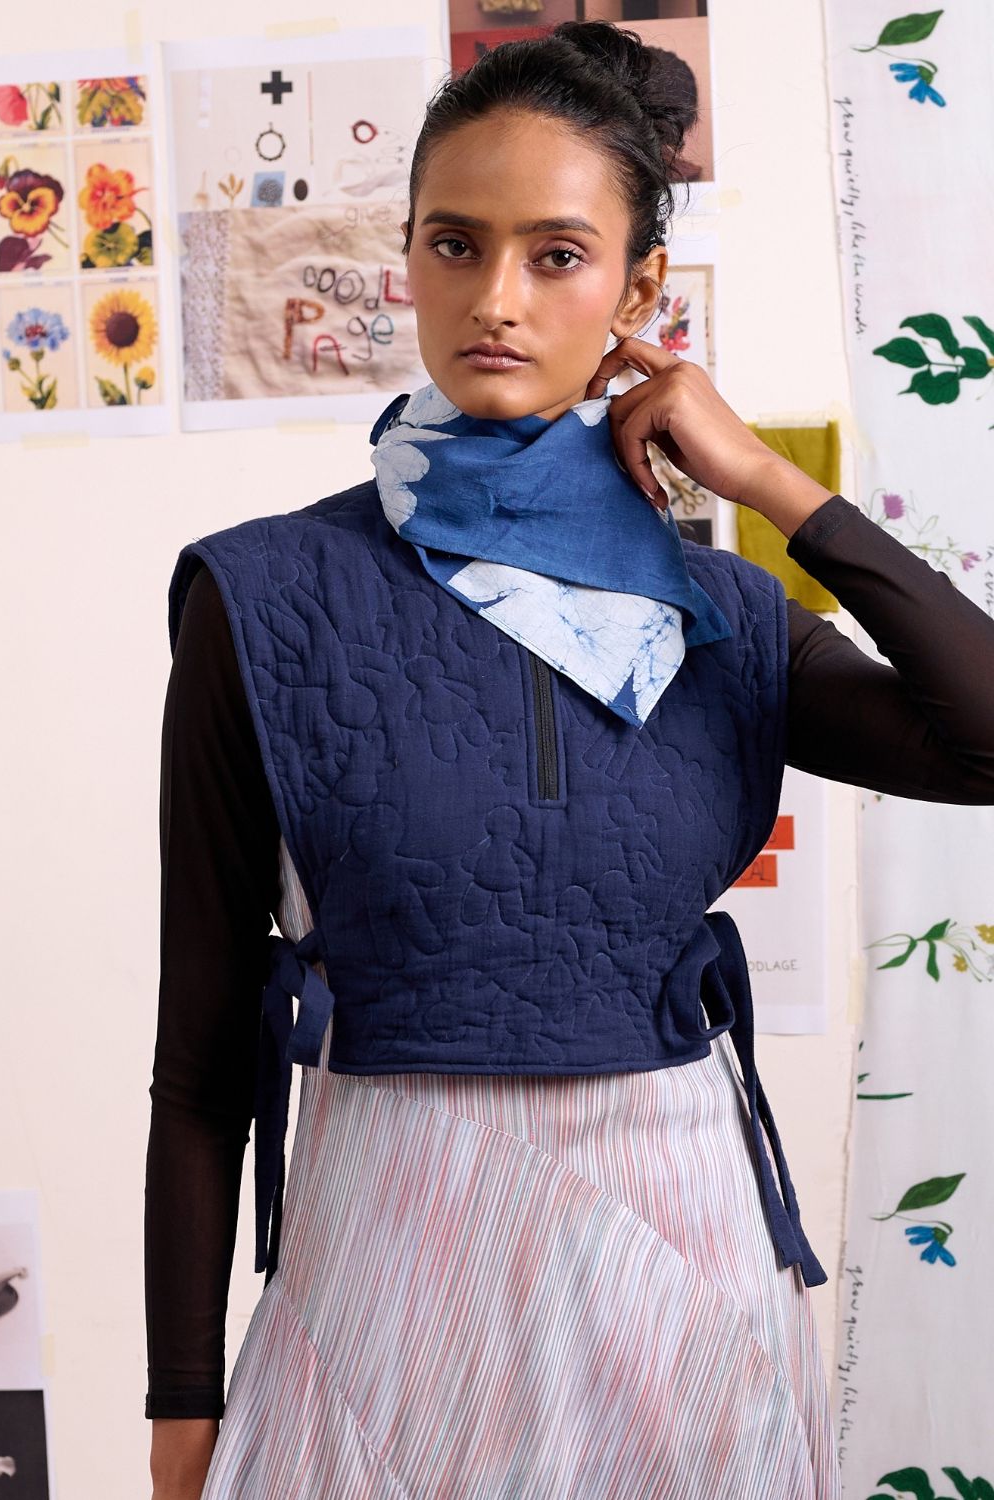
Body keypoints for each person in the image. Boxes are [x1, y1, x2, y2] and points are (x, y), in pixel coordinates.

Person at [145, 20, 994, 1500]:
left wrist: (774, 487)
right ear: (405, 259)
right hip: (382, 1313)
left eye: (556, 256)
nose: (496, 299)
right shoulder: (265, 595)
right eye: (455, 245)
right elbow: (203, 1057)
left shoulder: (723, 615)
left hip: (686, 1297)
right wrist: (180, 1411)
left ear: (638, 291)